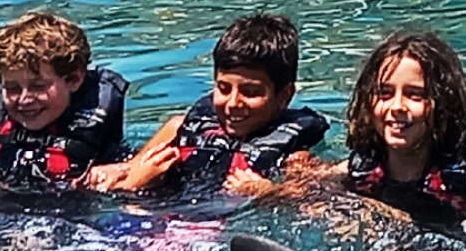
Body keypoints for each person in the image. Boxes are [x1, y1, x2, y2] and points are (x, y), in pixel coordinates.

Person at [230, 31, 466, 236]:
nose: (396, 107)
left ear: (440, 106)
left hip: (461, 248)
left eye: (415, 95)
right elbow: (308, 187)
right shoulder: (359, 169)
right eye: (384, 93)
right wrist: (266, 193)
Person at [104, 13, 329, 202]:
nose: (233, 103)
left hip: (208, 228)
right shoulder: (178, 128)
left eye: (250, 92)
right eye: (223, 88)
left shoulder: (295, 153)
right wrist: (131, 182)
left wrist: (267, 193)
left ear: (284, 95)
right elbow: (128, 170)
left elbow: (308, 198)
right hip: (155, 213)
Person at [0, 11, 130, 213]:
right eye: (12, 88)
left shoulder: (101, 150)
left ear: (73, 80)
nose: (24, 99)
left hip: (66, 211)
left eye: (38, 86)